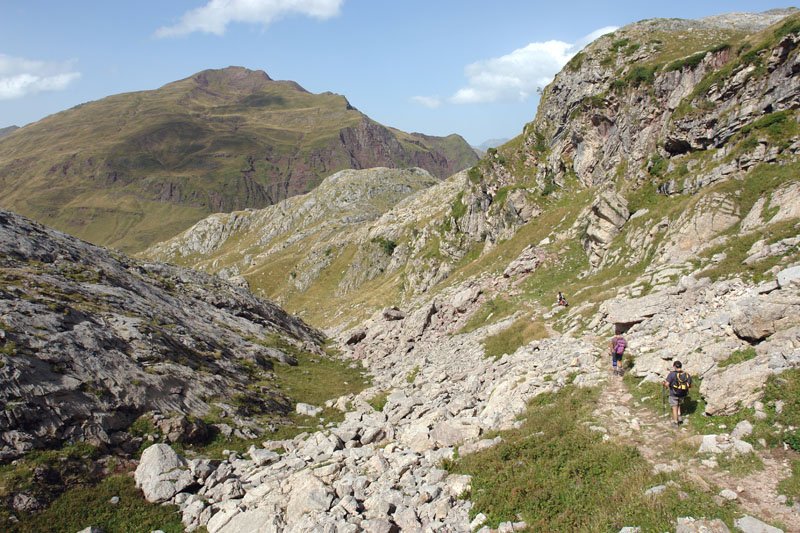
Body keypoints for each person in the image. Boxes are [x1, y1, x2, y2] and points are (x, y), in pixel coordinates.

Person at [663, 360, 692, 426]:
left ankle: (675, 422)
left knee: (674, 407)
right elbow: (689, 385)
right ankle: (679, 417)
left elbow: (667, 384)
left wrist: (664, 384)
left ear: (674, 366)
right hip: (683, 393)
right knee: (679, 404)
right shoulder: (687, 374)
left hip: (674, 393)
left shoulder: (672, 374)